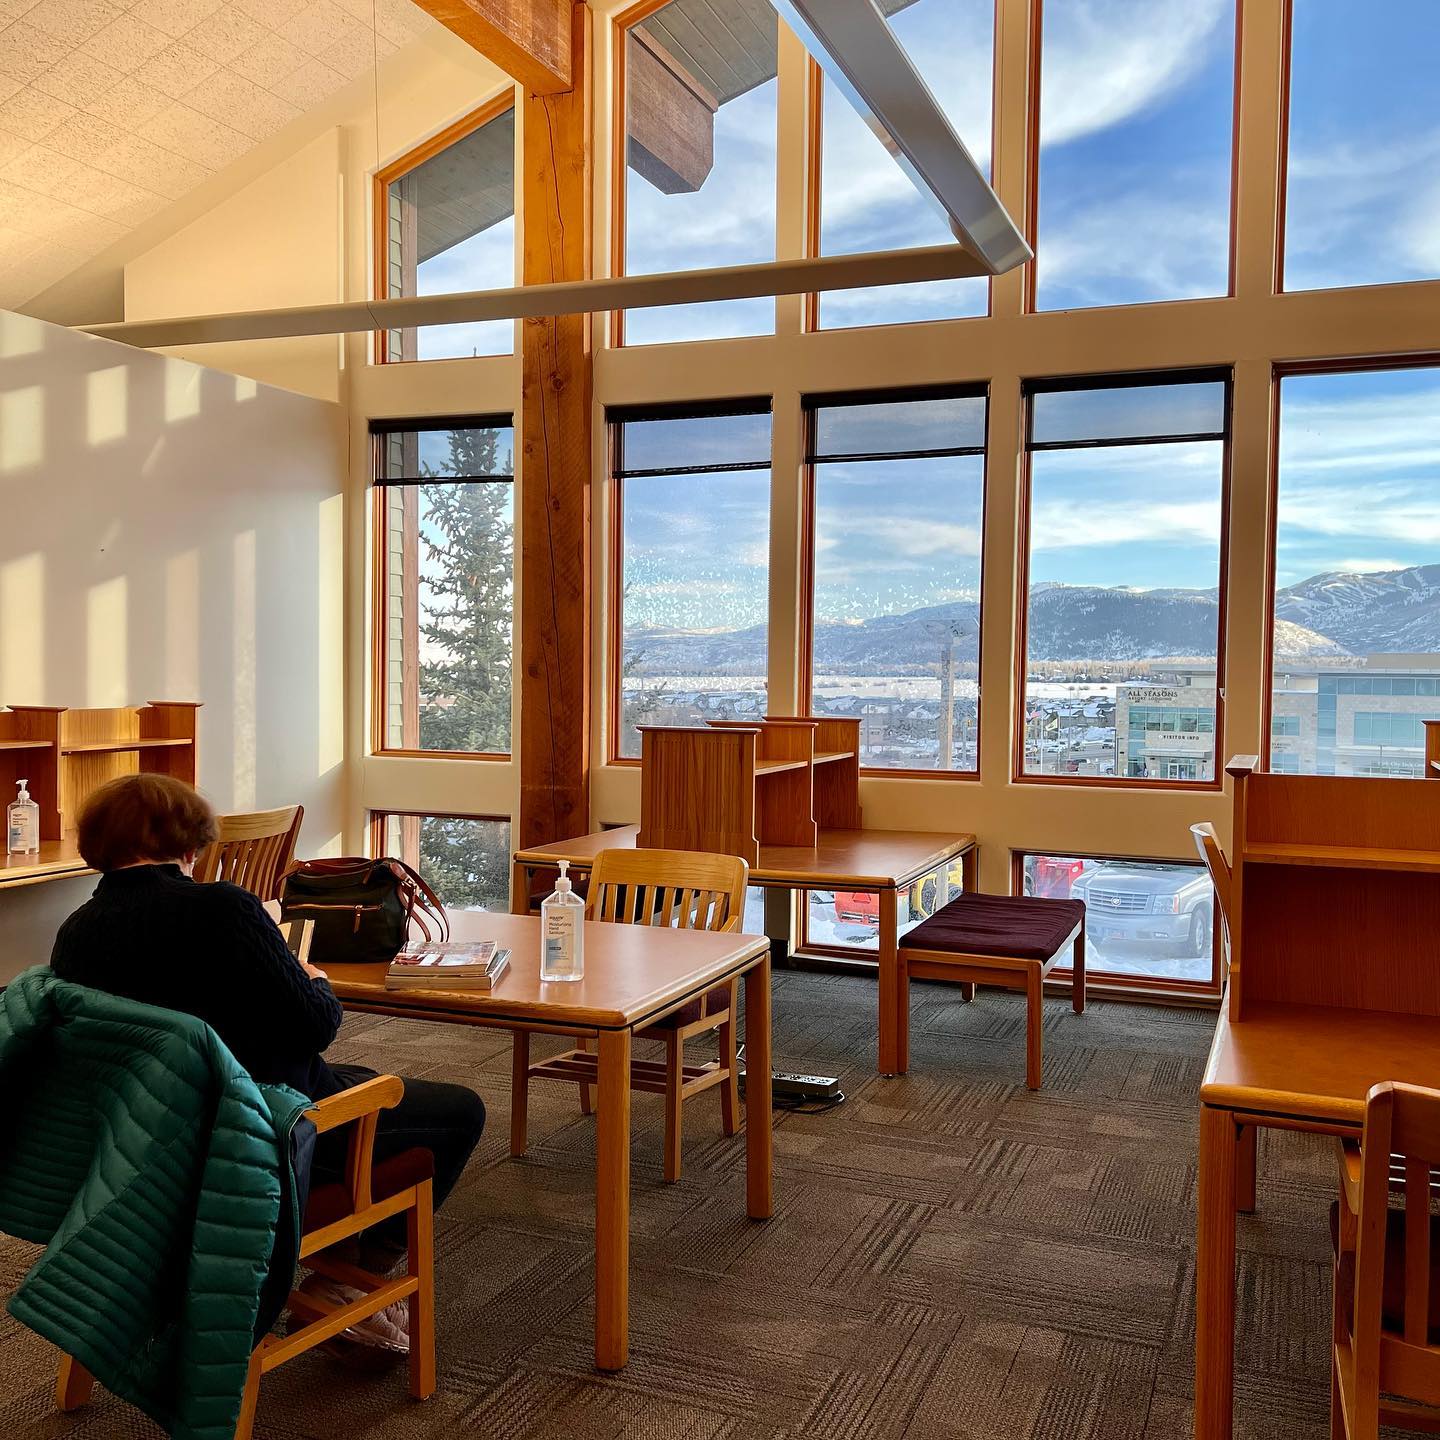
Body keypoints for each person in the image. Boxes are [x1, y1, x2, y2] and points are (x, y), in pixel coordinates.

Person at [50, 773, 486, 1353]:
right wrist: (315, 979)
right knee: (460, 1109)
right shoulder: (224, 910)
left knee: (361, 1079)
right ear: (188, 843)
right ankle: (344, 1279)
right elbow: (316, 1025)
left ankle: (338, 1268)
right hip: (259, 1138)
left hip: (141, 1149)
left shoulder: (75, 934)